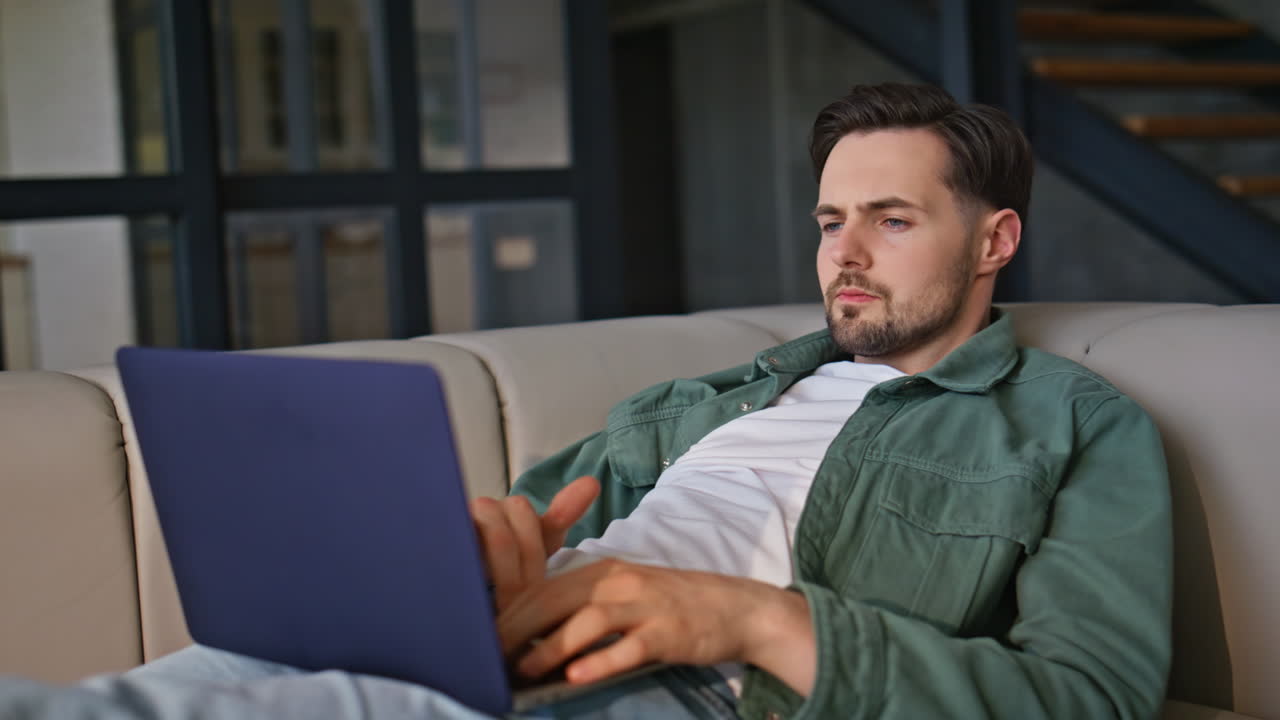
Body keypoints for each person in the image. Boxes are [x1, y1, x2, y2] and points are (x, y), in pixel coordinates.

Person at [0, 82, 1172, 720]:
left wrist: (745, 621)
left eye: (891, 219)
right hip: (511, 640)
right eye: (828, 220)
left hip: (690, 683)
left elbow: (1091, 696)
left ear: (993, 240)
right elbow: (541, 518)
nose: (842, 254)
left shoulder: (1070, 423)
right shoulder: (717, 393)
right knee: (184, 678)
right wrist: (473, 562)